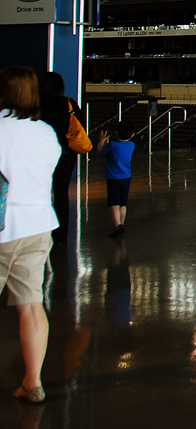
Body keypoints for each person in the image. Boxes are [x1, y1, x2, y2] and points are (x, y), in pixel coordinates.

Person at [0, 66, 62, 403]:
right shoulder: (45, 133)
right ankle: (32, 383)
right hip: (37, 228)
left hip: (3, 228)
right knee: (31, 305)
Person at [36, 72, 84, 245]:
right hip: (66, 155)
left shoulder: (35, 105)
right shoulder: (69, 104)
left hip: (40, 156)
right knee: (62, 193)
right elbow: (80, 126)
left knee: (41, 192)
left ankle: (41, 230)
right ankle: (61, 234)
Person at [97, 123, 135, 238]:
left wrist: (102, 140)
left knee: (114, 204)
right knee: (123, 204)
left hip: (113, 178)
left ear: (116, 133)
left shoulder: (112, 145)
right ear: (132, 135)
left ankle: (117, 225)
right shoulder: (131, 145)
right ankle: (122, 224)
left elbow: (100, 151)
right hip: (126, 177)